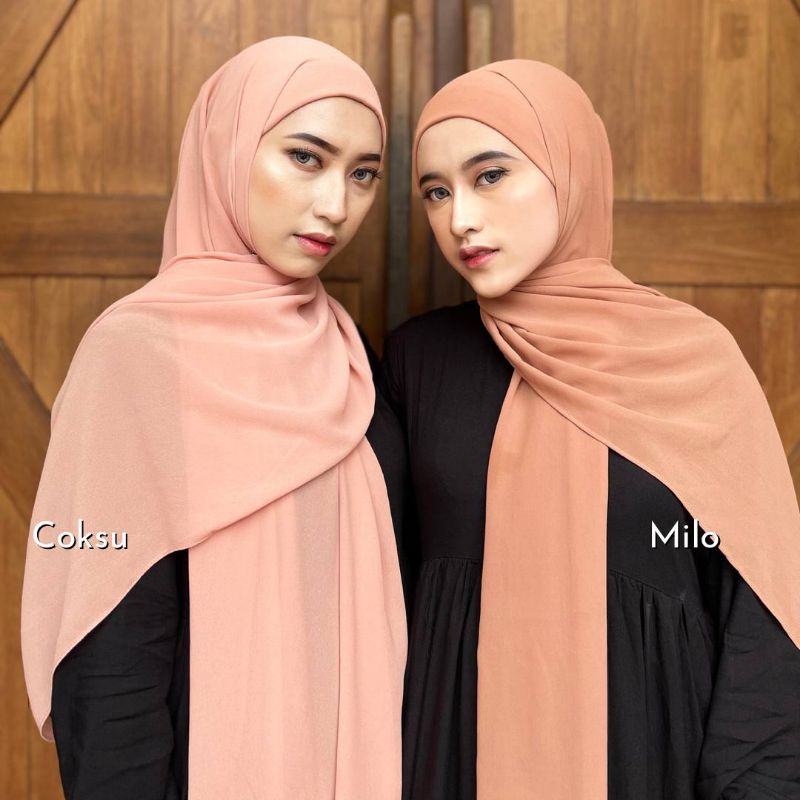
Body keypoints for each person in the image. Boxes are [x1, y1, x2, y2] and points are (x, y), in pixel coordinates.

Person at [369, 59, 800, 799]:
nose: (460, 218)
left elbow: (760, 604)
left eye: (491, 175)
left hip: (648, 754)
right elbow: (373, 588)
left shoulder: (693, 359)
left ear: (571, 170)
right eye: (436, 192)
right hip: (451, 753)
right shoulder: (419, 361)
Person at [20, 36, 406, 800]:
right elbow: (107, 660)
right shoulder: (132, 357)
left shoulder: (348, 352)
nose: (336, 205)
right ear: (226, 147)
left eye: (363, 174)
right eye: (306, 157)